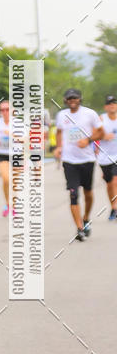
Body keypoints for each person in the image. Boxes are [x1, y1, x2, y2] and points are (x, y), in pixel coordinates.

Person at [55, 88, 103, 241]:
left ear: (80, 99)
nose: (72, 101)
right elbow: (59, 132)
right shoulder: (61, 115)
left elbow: (100, 132)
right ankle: (79, 228)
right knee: (73, 193)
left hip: (87, 160)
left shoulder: (90, 114)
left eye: (75, 98)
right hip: (69, 161)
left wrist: (88, 140)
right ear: (65, 100)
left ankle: (86, 218)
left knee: (88, 193)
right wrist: (58, 147)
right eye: (69, 99)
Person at [98, 95, 117, 221]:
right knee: (110, 185)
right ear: (105, 107)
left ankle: (115, 208)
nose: (112, 105)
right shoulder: (100, 119)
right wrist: (103, 137)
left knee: (115, 181)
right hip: (104, 157)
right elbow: (93, 135)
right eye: (109, 104)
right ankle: (113, 208)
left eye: (114, 103)